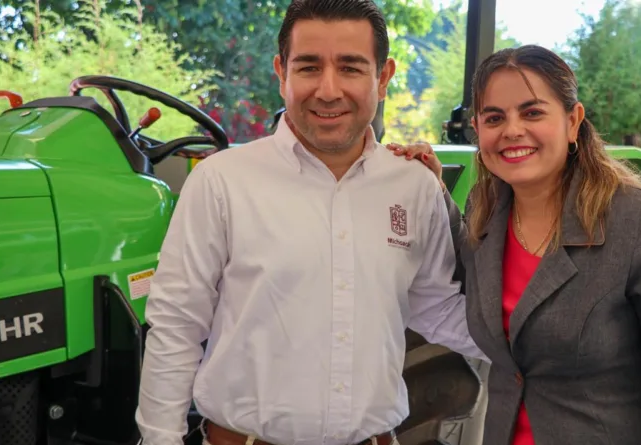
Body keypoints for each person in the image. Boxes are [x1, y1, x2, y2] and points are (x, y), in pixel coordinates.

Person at [134, 1, 486, 445]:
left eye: (350, 68)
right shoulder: (221, 182)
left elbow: (434, 307)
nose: (328, 90)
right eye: (309, 67)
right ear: (282, 72)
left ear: (383, 76)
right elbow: (177, 326)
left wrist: (542, 345)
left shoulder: (414, 186)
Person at [387, 45, 641, 445]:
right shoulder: (485, 212)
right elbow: (460, 274)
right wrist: (434, 189)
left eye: (532, 113)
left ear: (573, 121)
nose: (512, 130)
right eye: (495, 118)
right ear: (478, 129)